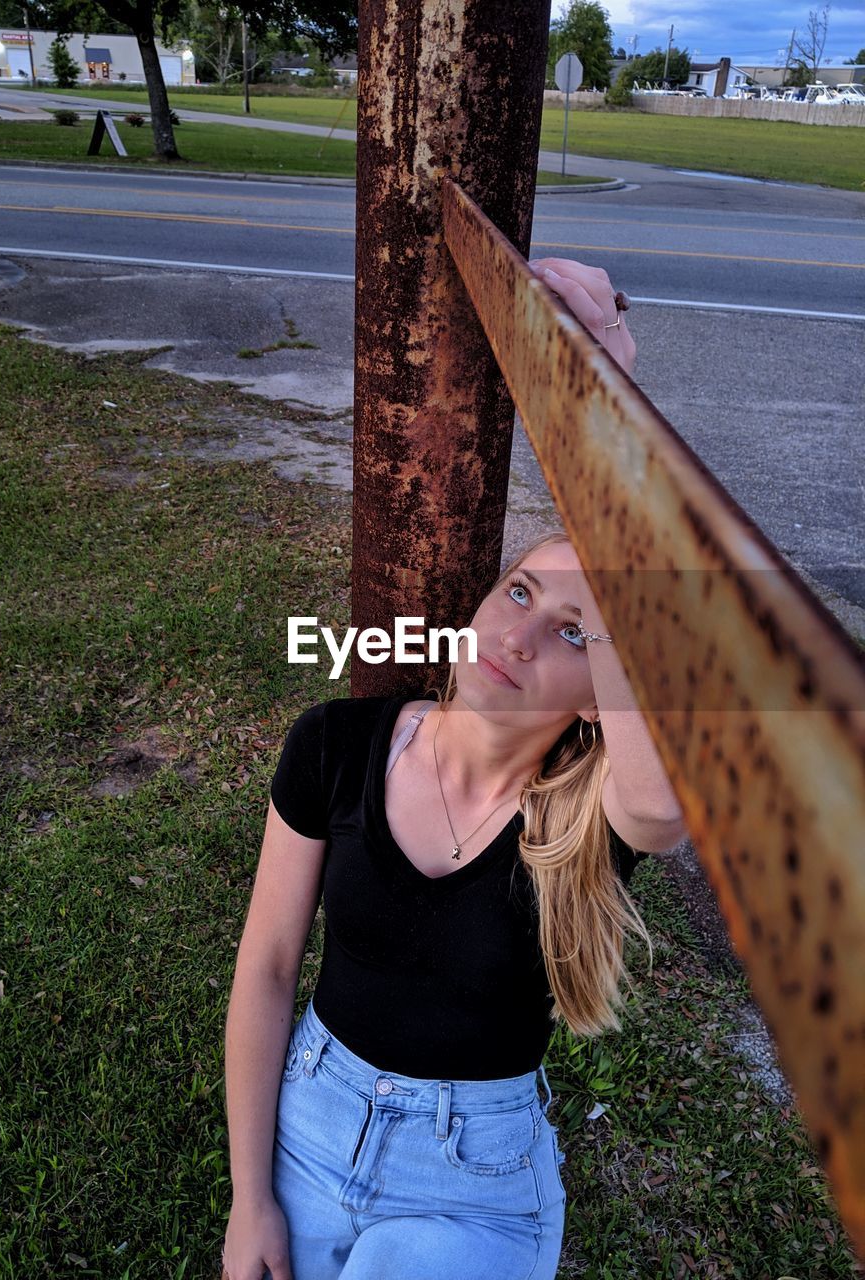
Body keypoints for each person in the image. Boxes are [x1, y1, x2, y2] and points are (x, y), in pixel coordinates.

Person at [220, 258, 687, 1280]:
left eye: (574, 631)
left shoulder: (586, 816)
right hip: (310, 1121)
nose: (517, 634)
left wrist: (602, 422)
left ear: (599, 694)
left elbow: (661, 805)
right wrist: (249, 1196)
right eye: (518, 590)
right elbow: (265, 968)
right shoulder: (336, 745)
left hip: (472, 1176)